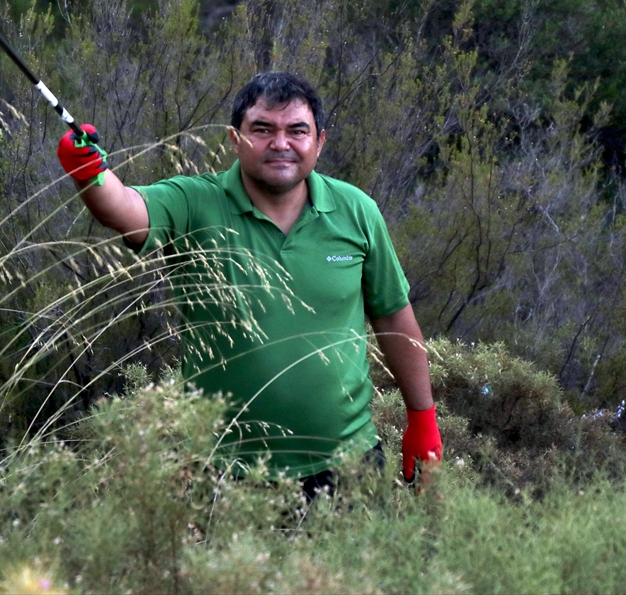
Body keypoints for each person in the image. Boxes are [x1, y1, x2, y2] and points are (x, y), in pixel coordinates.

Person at [57, 71, 441, 495]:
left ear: (320, 141)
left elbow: (394, 318)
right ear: (234, 139)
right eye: (262, 129)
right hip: (221, 471)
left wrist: (422, 419)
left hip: (348, 465)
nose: (281, 144)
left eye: (297, 130)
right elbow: (124, 207)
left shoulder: (356, 211)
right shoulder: (194, 202)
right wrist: (89, 172)